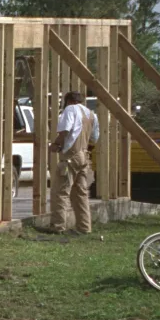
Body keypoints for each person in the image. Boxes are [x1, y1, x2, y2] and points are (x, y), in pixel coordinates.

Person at [49, 91, 98, 234]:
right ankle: (84, 227)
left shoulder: (70, 109)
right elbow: (95, 138)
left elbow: (65, 131)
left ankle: (58, 227)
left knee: (60, 192)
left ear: (68, 100)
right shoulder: (90, 114)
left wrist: (56, 144)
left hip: (71, 156)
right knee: (80, 194)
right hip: (84, 156)